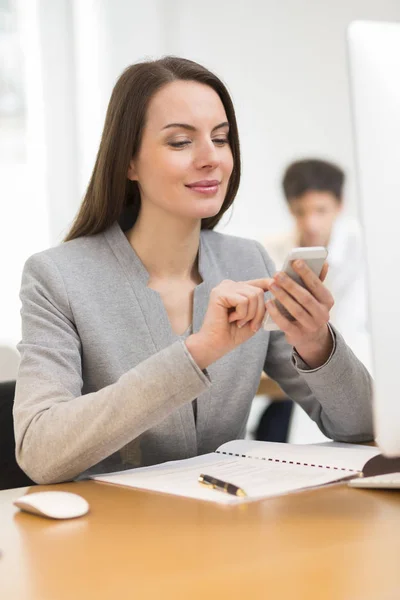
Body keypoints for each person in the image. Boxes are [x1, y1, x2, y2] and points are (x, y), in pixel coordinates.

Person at [13, 58, 373, 485]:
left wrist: (317, 344)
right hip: (110, 539)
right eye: (181, 142)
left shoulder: (247, 262)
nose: (211, 159)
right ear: (128, 161)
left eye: (220, 139)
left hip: (229, 530)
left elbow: (361, 429)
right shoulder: (57, 277)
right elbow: (39, 453)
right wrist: (197, 352)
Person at [255, 158, 371, 443]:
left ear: (339, 205)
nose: (311, 223)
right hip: (299, 372)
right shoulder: (273, 249)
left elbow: (356, 323)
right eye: (299, 212)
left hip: (357, 368)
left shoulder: (366, 247)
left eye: (321, 210)